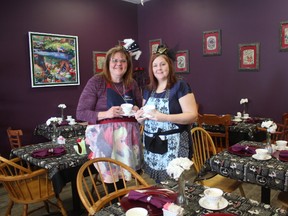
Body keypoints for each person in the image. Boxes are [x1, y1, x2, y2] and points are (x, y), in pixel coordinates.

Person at [76, 45, 143, 191]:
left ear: (128, 64)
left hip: (128, 140)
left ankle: (125, 206)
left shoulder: (132, 83)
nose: (119, 64)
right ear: (107, 63)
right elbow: (81, 113)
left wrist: (138, 109)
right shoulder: (97, 82)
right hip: (104, 140)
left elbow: (140, 107)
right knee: (112, 182)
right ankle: (114, 209)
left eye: (123, 61)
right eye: (115, 60)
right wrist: (107, 114)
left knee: (126, 179)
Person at [135, 45, 198, 183]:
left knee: (175, 185)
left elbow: (193, 115)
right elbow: (146, 119)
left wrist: (163, 117)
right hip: (152, 144)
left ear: (169, 65)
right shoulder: (148, 89)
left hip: (173, 145)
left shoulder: (180, 86)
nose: (159, 68)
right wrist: (140, 119)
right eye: (155, 65)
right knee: (159, 186)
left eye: (162, 64)